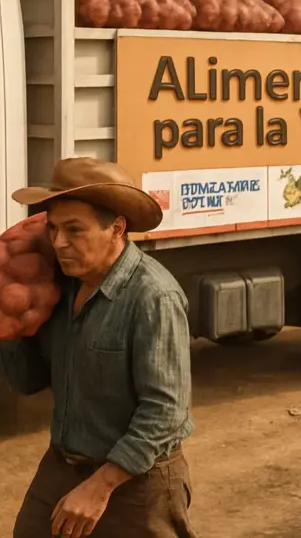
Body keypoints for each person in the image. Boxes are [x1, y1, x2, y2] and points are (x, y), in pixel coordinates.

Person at [0, 157, 198, 538]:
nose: (59, 242)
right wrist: (11, 328)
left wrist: (99, 487)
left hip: (138, 481)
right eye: (54, 228)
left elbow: (165, 412)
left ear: (116, 228)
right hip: (63, 466)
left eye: (74, 230)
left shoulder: (153, 296)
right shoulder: (60, 286)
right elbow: (28, 382)